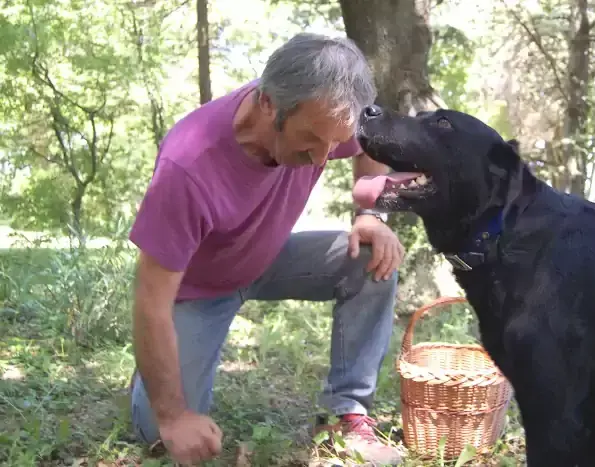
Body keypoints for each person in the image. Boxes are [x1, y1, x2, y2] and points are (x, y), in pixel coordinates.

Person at [127, 32, 405, 466]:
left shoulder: (324, 118)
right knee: (156, 429)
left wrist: (369, 214)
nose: (321, 160)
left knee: (372, 257)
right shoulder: (188, 164)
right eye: (311, 140)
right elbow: (150, 300)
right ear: (268, 104)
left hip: (268, 257)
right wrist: (173, 414)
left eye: (333, 144)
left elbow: (369, 143)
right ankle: (154, 373)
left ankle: (345, 413)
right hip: (199, 291)